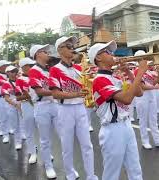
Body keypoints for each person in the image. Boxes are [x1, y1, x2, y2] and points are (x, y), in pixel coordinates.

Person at [89, 41, 144, 180]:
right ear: (98, 58)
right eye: (107, 52)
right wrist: (141, 72)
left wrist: (128, 72)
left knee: (135, 168)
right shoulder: (99, 80)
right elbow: (126, 99)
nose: (112, 54)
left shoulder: (115, 76)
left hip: (126, 125)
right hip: (112, 129)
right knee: (112, 174)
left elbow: (139, 93)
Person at [49, 36, 98, 180]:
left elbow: (88, 85)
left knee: (87, 144)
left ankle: (91, 175)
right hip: (65, 110)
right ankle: (70, 174)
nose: (72, 46)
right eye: (67, 45)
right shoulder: (55, 70)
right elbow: (55, 94)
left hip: (81, 108)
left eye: (72, 44)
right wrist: (76, 93)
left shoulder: (79, 68)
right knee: (67, 145)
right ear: (60, 50)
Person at [29, 44, 58, 178]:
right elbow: (39, 91)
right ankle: (48, 166)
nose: (47, 53)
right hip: (42, 106)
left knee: (62, 135)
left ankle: (50, 157)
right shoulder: (34, 70)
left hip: (54, 104)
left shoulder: (49, 70)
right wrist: (58, 93)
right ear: (37, 54)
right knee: (45, 139)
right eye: (44, 51)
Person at [134, 50, 159, 149]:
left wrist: (158, 76)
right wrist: (155, 87)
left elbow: (153, 83)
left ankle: (158, 141)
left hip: (151, 96)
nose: (146, 60)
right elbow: (142, 86)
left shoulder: (149, 70)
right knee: (143, 121)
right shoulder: (137, 70)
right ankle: (145, 141)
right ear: (139, 60)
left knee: (153, 120)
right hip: (142, 97)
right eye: (144, 58)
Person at [15, 57, 37, 164]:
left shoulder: (37, 76)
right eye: (30, 65)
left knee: (43, 131)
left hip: (39, 105)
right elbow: (18, 97)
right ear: (23, 68)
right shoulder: (20, 80)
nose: (32, 67)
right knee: (29, 130)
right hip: (27, 106)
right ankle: (32, 152)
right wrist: (29, 96)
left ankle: (47, 153)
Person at [1, 65, 22, 149]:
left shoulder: (20, 81)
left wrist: (21, 103)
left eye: (15, 71)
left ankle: (27, 139)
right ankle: (17, 142)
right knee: (15, 124)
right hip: (11, 105)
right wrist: (15, 104)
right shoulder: (6, 84)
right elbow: (6, 98)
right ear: (7, 73)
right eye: (12, 72)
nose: (14, 73)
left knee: (25, 123)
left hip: (22, 104)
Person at [0, 60, 11, 143]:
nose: (7, 66)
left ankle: (10, 129)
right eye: (6, 65)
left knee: (11, 115)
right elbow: (6, 84)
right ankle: (5, 134)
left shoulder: (9, 73)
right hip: (2, 99)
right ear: (1, 67)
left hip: (11, 98)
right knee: (3, 116)